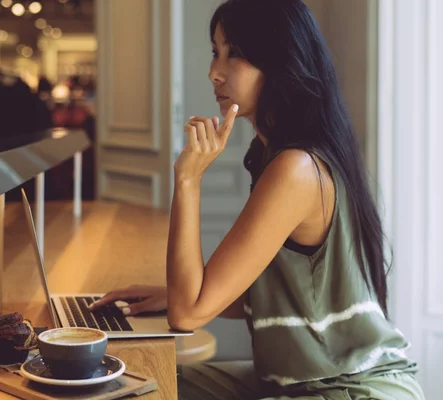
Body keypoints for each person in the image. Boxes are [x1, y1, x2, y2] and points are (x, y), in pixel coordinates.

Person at [90, 0, 425, 398]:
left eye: (237, 54)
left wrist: (188, 179)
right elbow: (262, 292)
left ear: (282, 63)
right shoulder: (275, 158)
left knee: (140, 389)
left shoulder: (297, 169)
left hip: (350, 388)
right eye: (217, 52)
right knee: (138, 384)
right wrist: (174, 294)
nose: (214, 72)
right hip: (299, 381)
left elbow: (187, 316)